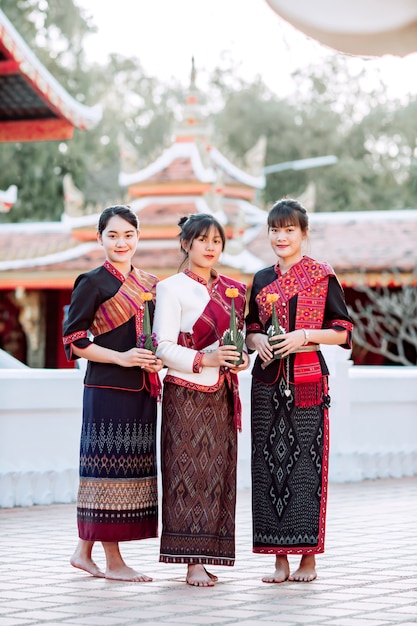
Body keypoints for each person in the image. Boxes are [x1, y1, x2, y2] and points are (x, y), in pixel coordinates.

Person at [245, 198, 353, 583]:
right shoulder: (259, 279)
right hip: (267, 381)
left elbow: (342, 331)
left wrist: (304, 335)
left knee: (307, 467)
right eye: (275, 229)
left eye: (289, 229)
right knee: (268, 467)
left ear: (304, 234)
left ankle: (308, 556)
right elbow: (250, 327)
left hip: (308, 380)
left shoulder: (322, 276)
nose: (281, 237)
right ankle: (279, 558)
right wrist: (255, 338)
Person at [62, 205, 163, 582]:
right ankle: (114, 561)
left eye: (128, 235)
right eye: (113, 235)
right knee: (106, 472)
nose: (121, 242)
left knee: (126, 472)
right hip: (105, 390)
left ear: (139, 237)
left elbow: (157, 338)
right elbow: (74, 341)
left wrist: (155, 361)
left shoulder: (151, 284)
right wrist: (121, 358)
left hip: (141, 391)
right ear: (100, 238)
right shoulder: (91, 282)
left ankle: (83, 551)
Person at [153, 213, 250, 587]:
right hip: (186, 393)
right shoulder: (172, 287)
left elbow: (238, 344)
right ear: (185, 244)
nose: (210, 247)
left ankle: (208, 556)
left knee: (216, 476)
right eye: (203, 240)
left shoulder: (233, 291)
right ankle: (191, 562)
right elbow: (162, 347)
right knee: (186, 475)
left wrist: (239, 360)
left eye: (217, 241)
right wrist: (204, 359)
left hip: (223, 393)